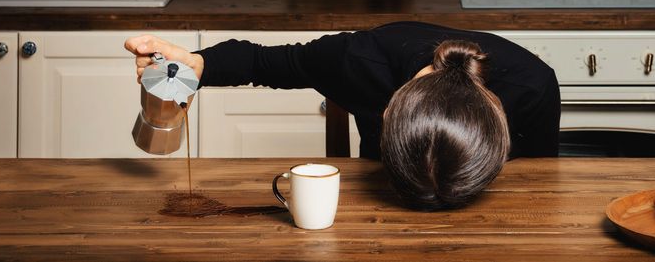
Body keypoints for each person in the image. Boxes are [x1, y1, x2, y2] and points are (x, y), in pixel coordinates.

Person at [124, 21, 560, 211]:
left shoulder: (532, 86)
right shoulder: (359, 60)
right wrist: (196, 64)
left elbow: (539, 186)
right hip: (383, 204)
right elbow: (259, 62)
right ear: (387, 110)